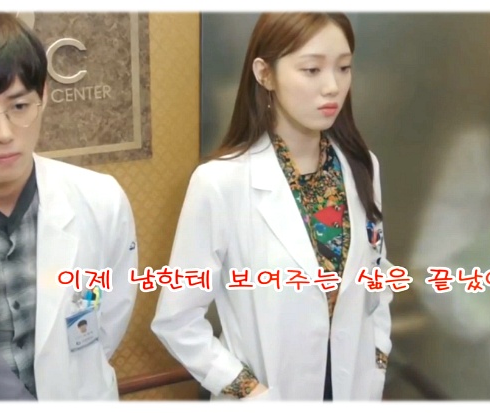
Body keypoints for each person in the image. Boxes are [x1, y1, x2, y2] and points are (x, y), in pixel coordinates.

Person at [151, 12, 394, 401]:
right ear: (265, 74)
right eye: (312, 69)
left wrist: (378, 353)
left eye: (344, 67)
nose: (332, 86)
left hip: (353, 388)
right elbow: (176, 320)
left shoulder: (362, 166)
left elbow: (377, 277)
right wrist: (252, 393)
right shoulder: (220, 182)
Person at [0, 12, 138, 400]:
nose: (3, 134)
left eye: (19, 106)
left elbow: (110, 315)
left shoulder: (101, 200)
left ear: (44, 95)